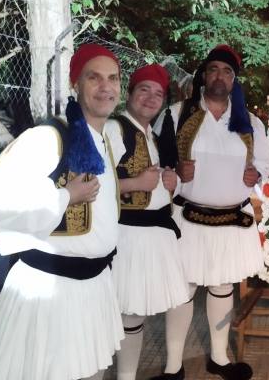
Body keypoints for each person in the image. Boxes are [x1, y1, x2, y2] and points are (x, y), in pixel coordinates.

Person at [0, 43, 125, 380]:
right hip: (50, 290)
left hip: (94, 286)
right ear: (75, 84)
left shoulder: (105, 139)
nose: (106, 87)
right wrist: (65, 197)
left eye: (113, 78)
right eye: (94, 77)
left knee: (91, 371)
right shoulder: (47, 137)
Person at [153, 44, 269, 380]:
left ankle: (219, 358)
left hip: (234, 219)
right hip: (189, 218)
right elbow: (158, 163)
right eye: (214, 69)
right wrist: (176, 172)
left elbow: (265, 164)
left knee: (222, 286)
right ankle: (173, 367)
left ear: (234, 80)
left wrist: (257, 176)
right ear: (204, 76)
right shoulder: (176, 115)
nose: (220, 76)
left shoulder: (250, 123)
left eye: (227, 71)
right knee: (183, 289)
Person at [105, 64, 190, 380]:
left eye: (158, 93)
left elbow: (159, 184)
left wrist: (172, 182)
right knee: (125, 314)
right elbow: (91, 185)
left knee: (134, 315)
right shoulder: (114, 129)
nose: (151, 98)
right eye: (144, 90)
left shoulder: (152, 135)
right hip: (127, 235)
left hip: (153, 235)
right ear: (129, 93)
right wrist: (134, 183)